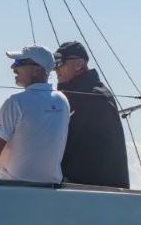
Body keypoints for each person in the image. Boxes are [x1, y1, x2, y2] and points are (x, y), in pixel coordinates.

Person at [0, 45, 69, 183]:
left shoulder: (16, 102)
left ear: (37, 70)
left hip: (12, 188)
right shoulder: (62, 101)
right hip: (50, 187)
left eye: (19, 62)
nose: (13, 67)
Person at [53, 41, 130, 188]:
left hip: (96, 190)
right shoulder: (80, 95)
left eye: (60, 62)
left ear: (79, 64)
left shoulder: (95, 97)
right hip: (83, 189)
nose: (56, 69)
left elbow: (85, 149)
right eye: (54, 64)